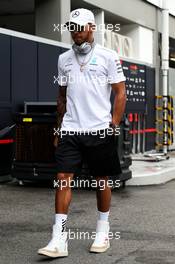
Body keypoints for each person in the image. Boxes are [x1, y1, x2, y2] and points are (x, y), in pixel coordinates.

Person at [38, 8, 126, 258]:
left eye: (79, 27)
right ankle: (59, 238)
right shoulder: (63, 59)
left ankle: (102, 230)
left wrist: (114, 125)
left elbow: (120, 93)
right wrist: (58, 127)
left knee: (101, 181)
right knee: (63, 178)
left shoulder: (108, 57)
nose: (75, 32)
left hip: (99, 130)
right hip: (71, 129)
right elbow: (62, 97)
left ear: (91, 27)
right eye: (72, 28)